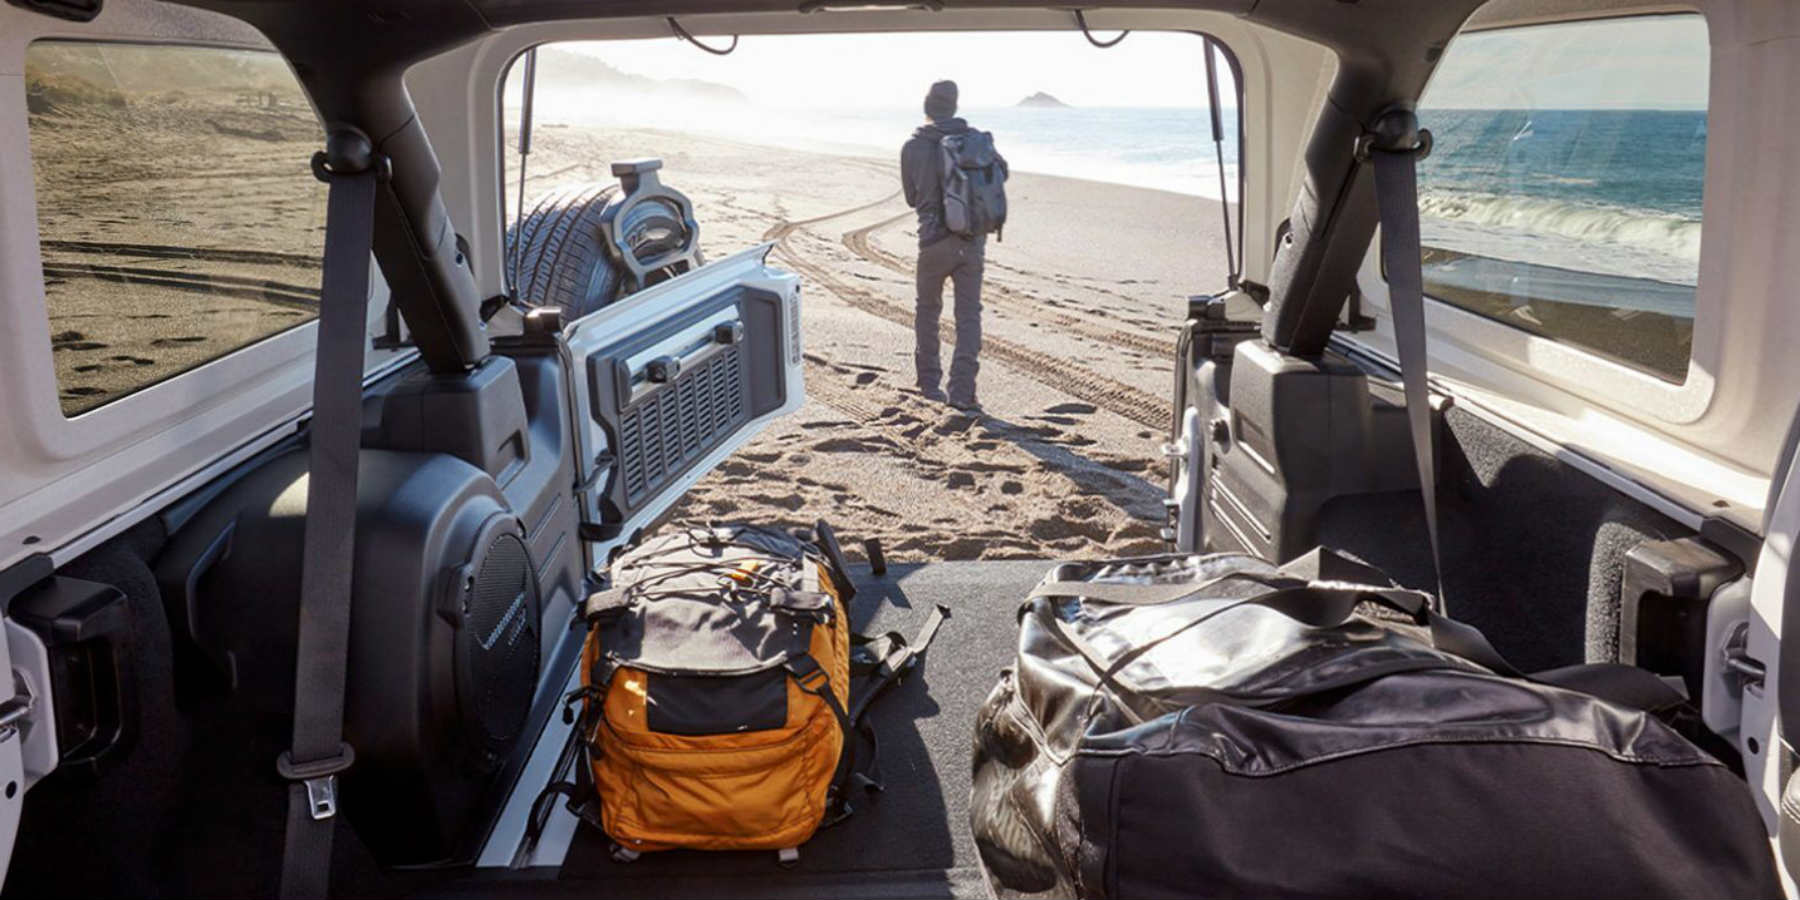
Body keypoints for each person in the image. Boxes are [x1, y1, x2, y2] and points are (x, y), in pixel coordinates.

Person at [901, 80, 1006, 412]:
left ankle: (929, 384)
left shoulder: (913, 146)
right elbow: (1001, 173)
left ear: (927, 107)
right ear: (955, 107)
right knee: (968, 317)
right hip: (972, 239)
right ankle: (963, 391)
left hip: (932, 241)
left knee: (928, 310)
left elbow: (911, 198)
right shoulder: (974, 141)